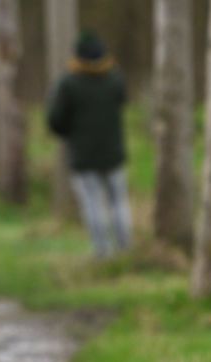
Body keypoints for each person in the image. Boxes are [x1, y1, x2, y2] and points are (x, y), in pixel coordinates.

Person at [47, 30, 133, 259]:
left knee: (93, 204)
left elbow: (55, 120)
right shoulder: (115, 78)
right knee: (119, 202)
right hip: (114, 153)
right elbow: (123, 101)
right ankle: (125, 250)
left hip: (83, 156)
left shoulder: (68, 83)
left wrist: (69, 132)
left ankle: (102, 252)